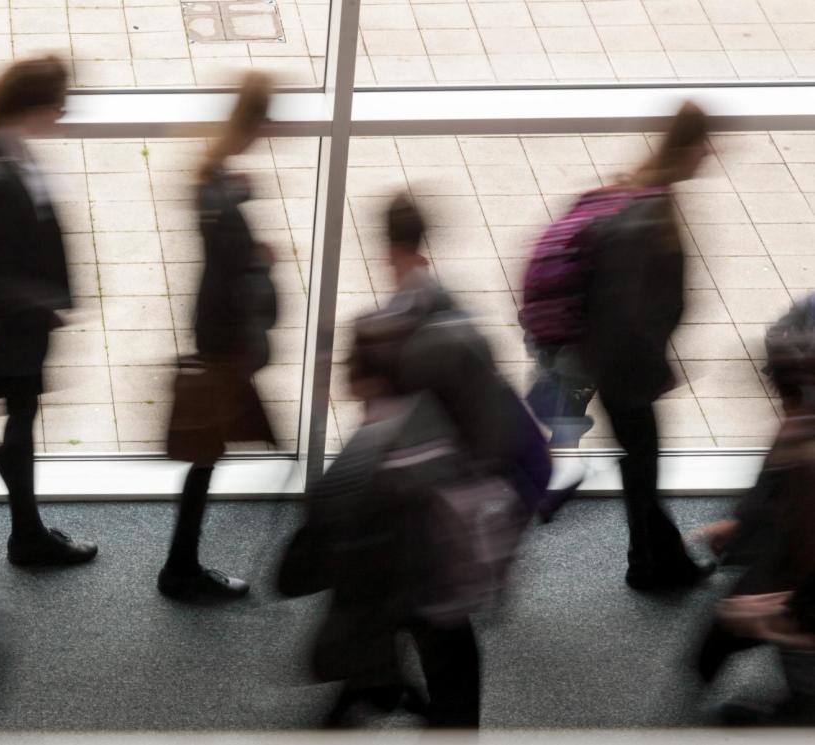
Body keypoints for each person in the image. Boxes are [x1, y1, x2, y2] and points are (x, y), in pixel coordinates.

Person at [299, 194, 528, 729]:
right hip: (444, 504)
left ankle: (368, 691)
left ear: (385, 246)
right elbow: (493, 424)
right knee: (440, 626)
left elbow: (365, 405)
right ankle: (435, 715)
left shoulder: (378, 329)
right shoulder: (458, 319)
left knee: (389, 608)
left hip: (396, 506)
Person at [0, 56, 96, 567]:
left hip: (22, 329)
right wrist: (45, 304)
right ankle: (23, 534)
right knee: (18, 422)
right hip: (11, 332)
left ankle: (27, 530)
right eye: (58, 103)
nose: (62, 113)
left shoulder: (10, 151)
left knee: (20, 419)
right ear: (34, 104)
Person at [581, 101, 712, 591]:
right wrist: (653, 363)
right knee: (642, 466)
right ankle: (659, 565)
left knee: (639, 465)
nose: (711, 154)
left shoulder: (649, 193)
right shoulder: (649, 210)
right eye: (707, 144)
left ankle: (652, 562)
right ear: (691, 144)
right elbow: (627, 307)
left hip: (619, 366)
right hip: (625, 370)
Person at [159, 72, 279, 602]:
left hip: (215, 331)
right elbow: (234, 277)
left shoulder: (215, 177)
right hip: (226, 339)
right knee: (206, 454)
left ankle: (182, 564)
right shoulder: (222, 196)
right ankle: (180, 569)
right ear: (253, 123)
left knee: (208, 454)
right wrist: (256, 261)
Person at [692, 295, 815, 724]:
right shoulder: (802, 430)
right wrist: (743, 523)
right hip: (783, 570)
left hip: (796, 596)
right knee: (715, 643)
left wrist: (786, 614)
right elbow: (777, 483)